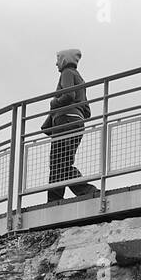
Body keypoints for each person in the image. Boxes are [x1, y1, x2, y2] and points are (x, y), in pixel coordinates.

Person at [43, 48, 98, 202]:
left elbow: (68, 95)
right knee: (62, 162)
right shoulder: (80, 79)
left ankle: (86, 192)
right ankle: (56, 199)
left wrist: (54, 102)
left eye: (58, 59)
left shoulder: (67, 73)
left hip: (65, 122)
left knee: (58, 162)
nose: (56, 63)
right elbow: (87, 112)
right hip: (76, 123)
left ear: (65, 60)